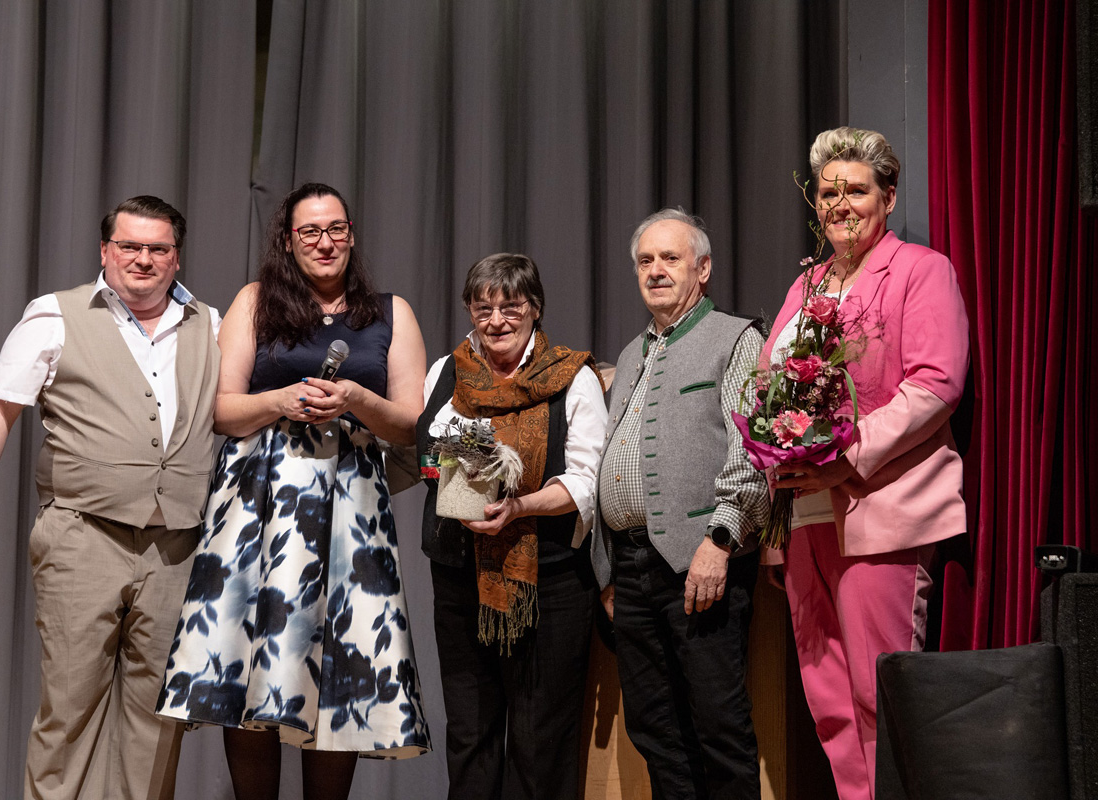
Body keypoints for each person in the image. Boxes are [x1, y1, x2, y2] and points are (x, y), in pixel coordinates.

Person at [155, 183, 431, 800]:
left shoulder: (392, 312)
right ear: (288, 240)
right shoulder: (256, 301)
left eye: (335, 229)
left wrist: (356, 399)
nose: (324, 242)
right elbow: (219, 410)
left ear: (351, 234)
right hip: (257, 505)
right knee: (249, 662)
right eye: (310, 231)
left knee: (340, 659)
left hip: (351, 510)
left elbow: (413, 424)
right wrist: (280, 400)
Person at [0, 196, 220, 799]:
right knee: (69, 709)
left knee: (159, 719)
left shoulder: (211, 323)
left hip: (177, 545)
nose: (143, 259)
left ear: (176, 257)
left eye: (158, 248)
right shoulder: (55, 315)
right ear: (105, 250)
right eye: (130, 246)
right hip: (82, 535)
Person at [762, 127, 969, 800]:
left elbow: (935, 383)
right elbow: (770, 392)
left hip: (880, 507)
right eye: (828, 193)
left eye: (856, 189)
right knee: (827, 699)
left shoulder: (920, 270)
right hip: (803, 515)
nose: (840, 204)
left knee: (879, 691)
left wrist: (842, 456)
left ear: (888, 197)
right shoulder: (806, 284)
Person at [591, 209, 769, 799]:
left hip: (702, 563)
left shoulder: (737, 338)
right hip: (632, 570)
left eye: (671, 258)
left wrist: (719, 542)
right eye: (646, 261)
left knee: (719, 728)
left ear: (703, 268)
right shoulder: (631, 353)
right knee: (656, 731)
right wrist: (609, 573)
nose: (656, 270)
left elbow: (751, 451)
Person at [415, 253, 606, 800]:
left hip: (549, 582)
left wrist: (519, 508)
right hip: (460, 577)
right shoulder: (446, 372)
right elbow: (425, 456)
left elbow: (586, 480)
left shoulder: (573, 378)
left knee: (539, 742)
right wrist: (446, 474)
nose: (496, 320)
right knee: (470, 737)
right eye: (484, 309)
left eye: (511, 307)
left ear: (535, 308)